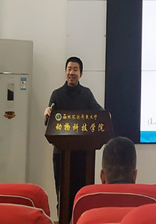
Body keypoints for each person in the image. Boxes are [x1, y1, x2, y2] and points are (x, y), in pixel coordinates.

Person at [44, 56, 103, 220]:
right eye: (69, 69)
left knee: (81, 195)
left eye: (75, 69)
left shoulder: (86, 94)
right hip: (61, 155)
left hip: (83, 156)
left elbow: (99, 112)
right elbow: (48, 122)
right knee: (62, 195)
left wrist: (107, 115)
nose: (71, 72)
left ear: (81, 74)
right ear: (65, 72)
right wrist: (48, 114)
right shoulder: (57, 95)